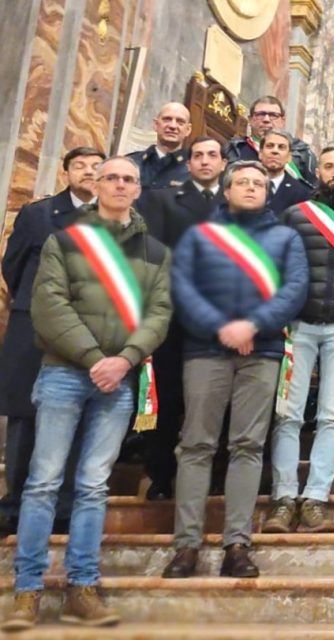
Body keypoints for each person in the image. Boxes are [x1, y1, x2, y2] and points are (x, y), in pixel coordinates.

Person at [1, 156, 171, 631]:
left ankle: (83, 587)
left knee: (94, 486)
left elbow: (159, 313)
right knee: (42, 483)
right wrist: (95, 358)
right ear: (96, 185)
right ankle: (27, 591)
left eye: (128, 179)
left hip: (118, 381)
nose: (120, 185)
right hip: (64, 373)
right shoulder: (65, 242)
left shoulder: (154, 252)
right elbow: (47, 304)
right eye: (111, 177)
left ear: (139, 190)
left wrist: (125, 359)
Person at [162, 160, 308, 580]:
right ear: (226, 190)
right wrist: (222, 327)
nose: (250, 188)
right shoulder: (201, 236)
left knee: (248, 446)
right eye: (241, 182)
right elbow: (182, 288)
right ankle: (186, 546)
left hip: (261, 352)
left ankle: (237, 544)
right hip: (205, 351)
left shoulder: (284, 238)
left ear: (267, 192)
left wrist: (252, 325)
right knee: (196, 445)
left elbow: (294, 288)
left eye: (258, 183)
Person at [264, 147, 334, 534]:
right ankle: (282, 499)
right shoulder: (296, 215)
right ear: (318, 171)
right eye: (328, 166)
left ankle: (315, 497)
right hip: (299, 325)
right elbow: (276, 269)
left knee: (331, 415)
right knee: (288, 414)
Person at [0, 148, 103, 536]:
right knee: (26, 415)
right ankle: (13, 506)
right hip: (34, 327)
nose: (89, 172)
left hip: (88, 328)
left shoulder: (113, 218)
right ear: (66, 172)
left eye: (97, 167)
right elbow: (12, 264)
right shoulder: (38, 214)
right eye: (81, 166)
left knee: (78, 412)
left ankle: (63, 508)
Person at [136, 137, 227, 501]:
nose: (205, 161)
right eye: (198, 156)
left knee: (215, 398)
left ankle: (215, 476)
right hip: (173, 316)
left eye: (213, 156)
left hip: (220, 317)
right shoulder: (161, 200)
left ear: (224, 163)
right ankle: (160, 476)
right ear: (188, 164)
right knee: (168, 397)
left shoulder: (234, 203)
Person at [224, 95, 318, 187]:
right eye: (260, 114)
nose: (266, 119)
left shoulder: (302, 151)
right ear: (250, 120)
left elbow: (314, 189)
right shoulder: (235, 148)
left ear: (283, 121)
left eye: (273, 115)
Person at [125, 102, 192, 190]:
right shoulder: (131, 162)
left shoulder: (196, 172)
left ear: (188, 130)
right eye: (167, 119)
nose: (172, 126)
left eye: (180, 122)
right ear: (155, 125)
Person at [259, 129, 312, 215]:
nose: (275, 151)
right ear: (260, 153)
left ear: (289, 157)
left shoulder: (301, 193)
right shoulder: (245, 184)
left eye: (281, 147)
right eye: (270, 146)